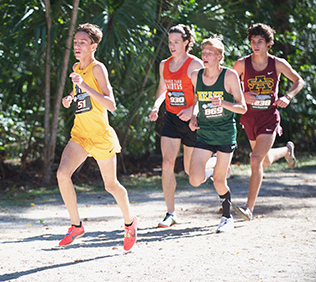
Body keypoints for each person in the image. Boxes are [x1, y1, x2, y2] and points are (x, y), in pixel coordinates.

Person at [57, 23, 137, 251]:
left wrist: (84, 87)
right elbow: (80, 91)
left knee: (111, 185)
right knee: (63, 174)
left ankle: (130, 223)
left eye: (82, 43)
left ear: (93, 46)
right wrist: (71, 97)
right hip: (80, 134)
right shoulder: (76, 67)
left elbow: (110, 104)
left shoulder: (97, 68)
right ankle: (76, 225)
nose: (77, 46)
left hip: (100, 136)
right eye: (75, 42)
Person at [232, 23, 305, 221]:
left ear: (269, 43)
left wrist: (288, 96)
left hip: (269, 117)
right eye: (253, 41)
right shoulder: (242, 64)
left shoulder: (277, 64)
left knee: (255, 160)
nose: (255, 45)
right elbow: (227, 82)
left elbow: (299, 81)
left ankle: (249, 208)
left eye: (260, 41)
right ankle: (286, 151)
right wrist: (242, 94)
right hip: (249, 117)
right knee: (262, 160)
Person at [149, 24, 215, 228]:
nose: (172, 46)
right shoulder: (164, 64)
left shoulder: (195, 65)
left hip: (193, 121)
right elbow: (163, 88)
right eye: (170, 42)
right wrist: (156, 107)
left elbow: (202, 94)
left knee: (191, 173)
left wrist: (192, 111)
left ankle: (214, 166)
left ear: (186, 42)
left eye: (177, 42)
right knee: (167, 163)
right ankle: (170, 213)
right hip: (171, 120)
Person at [188, 36, 247, 232]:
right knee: (194, 179)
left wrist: (223, 103)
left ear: (220, 57)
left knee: (220, 181)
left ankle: (227, 217)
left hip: (224, 134)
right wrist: (194, 117)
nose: (205, 56)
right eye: (203, 53)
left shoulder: (229, 76)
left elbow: (242, 107)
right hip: (205, 134)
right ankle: (213, 166)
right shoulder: (196, 76)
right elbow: (197, 101)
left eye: (209, 53)